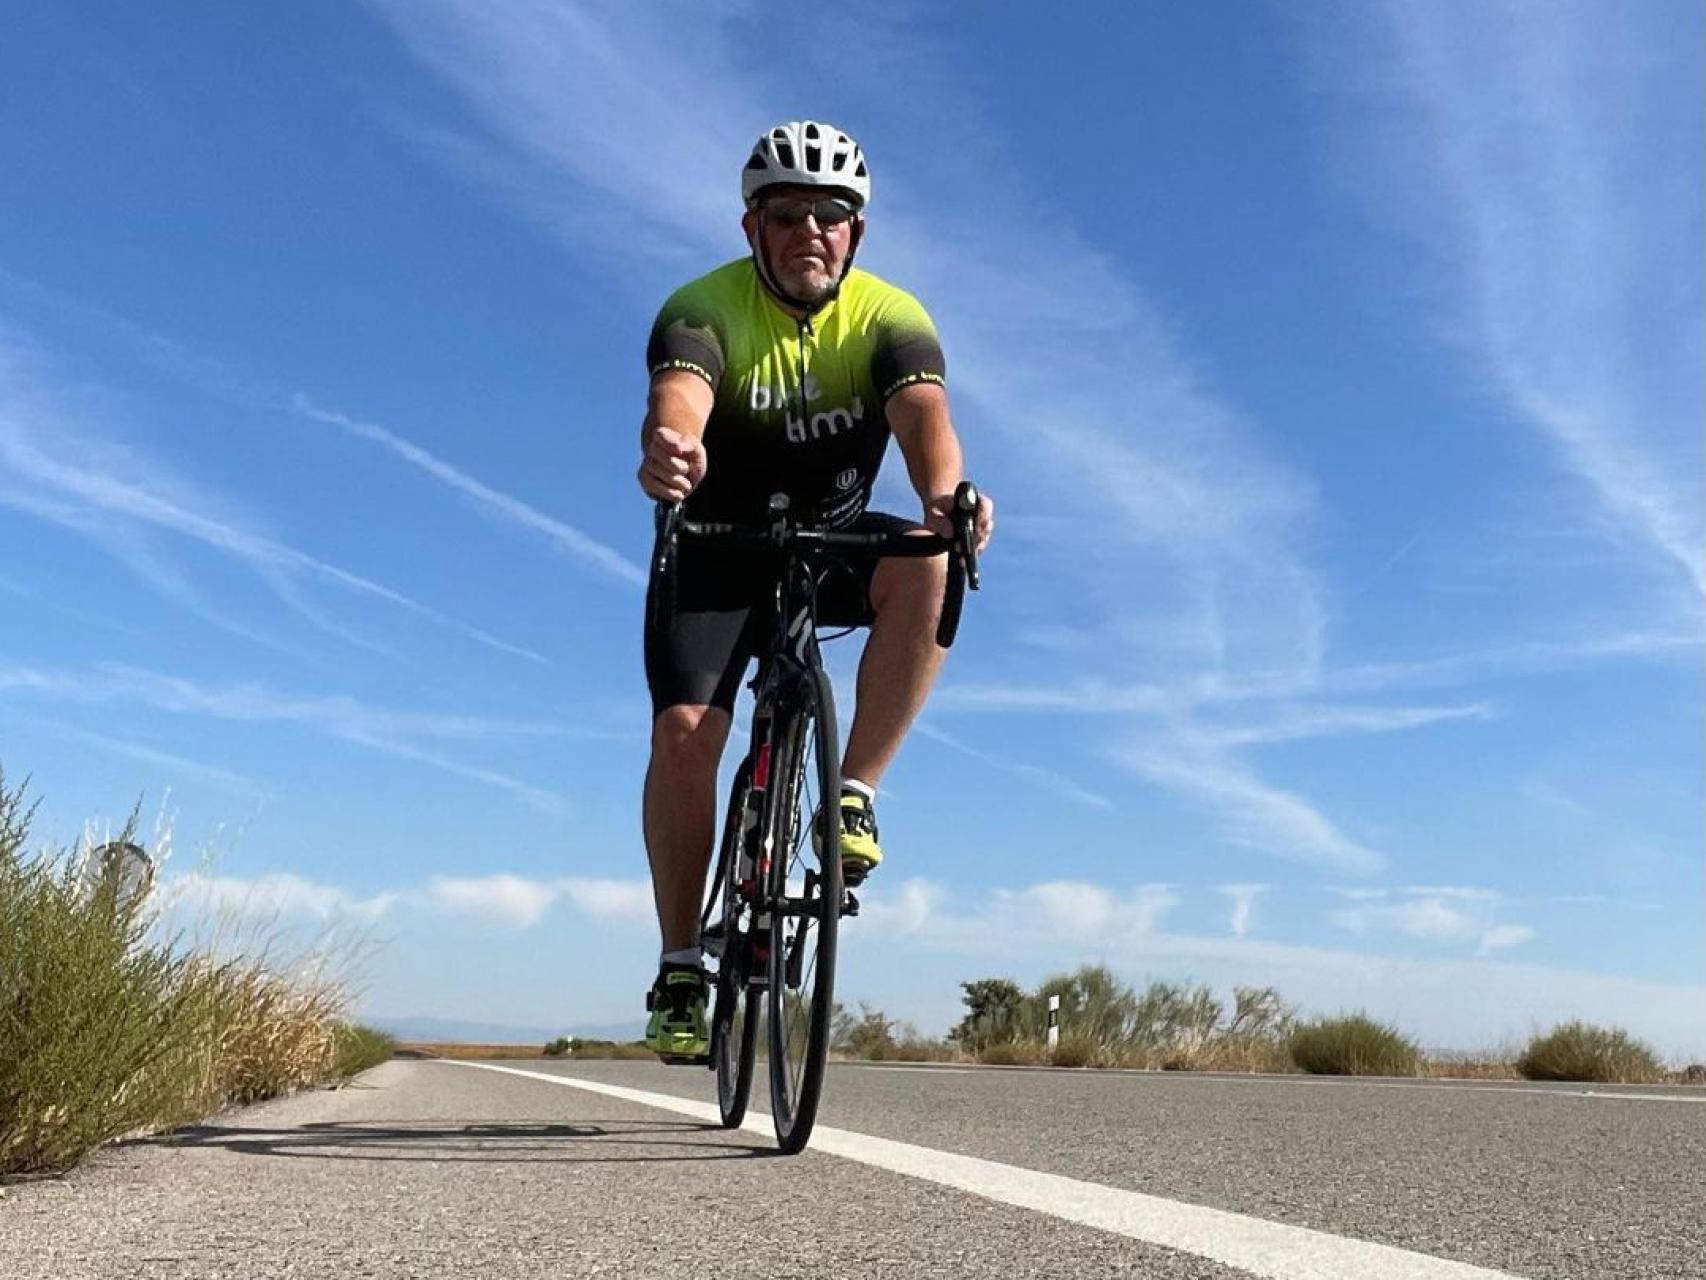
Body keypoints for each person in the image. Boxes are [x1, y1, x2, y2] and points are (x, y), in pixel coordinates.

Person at [636, 120, 995, 1058]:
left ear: (856, 233)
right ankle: (680, 964)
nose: (809, 232)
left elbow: (927, 420)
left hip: (828, 542)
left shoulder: (889, 317)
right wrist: (670, 449)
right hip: (718, 548)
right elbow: (680, 398)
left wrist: (945, 499)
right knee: (684, 737)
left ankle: (854, 790)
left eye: (828, 216)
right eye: (786, 214)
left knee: (927, 556)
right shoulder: (702, 308)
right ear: (752, 228)